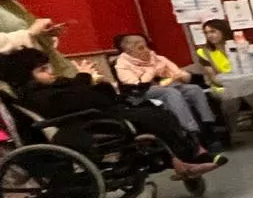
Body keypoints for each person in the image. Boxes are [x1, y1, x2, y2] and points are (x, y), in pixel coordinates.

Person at [0, 48, 225, 179]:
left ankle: (187, 155)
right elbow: (70, 103)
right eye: (42, 70)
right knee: (153, 116)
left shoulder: (48, 87)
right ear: (26, 75)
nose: (49, 72)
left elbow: (80, 96)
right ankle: (189, 156)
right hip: (86, 123)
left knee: (155, 111)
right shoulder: (36, 94)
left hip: (97, 114)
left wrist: (93, 83)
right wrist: (84, 78)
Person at [112, 31, 221, 140]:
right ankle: (191, 131)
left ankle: (209, 123)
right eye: (141, 47)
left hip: (168, 85)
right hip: (142, 92)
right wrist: (152, 70)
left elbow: (183, 76)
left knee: (194, 89)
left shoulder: (157, 58)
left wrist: (180, 75)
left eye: (146, 46)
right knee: (171, 93)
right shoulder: (122, 64)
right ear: (128, 50)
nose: (146, 50)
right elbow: (137, 85)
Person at [0, 0, 77, 77]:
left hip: (46, 64)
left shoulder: (11, 4)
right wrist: (30, 33)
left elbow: (32, 31)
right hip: (21, 74)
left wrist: (46, 32)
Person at [193, 19, 234, 88]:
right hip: (223, 87)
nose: (209, 36)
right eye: (206, 33)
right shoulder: (204, 53)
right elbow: (214, 78)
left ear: (223, 31)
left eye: (212, 31)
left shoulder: (238, 45)